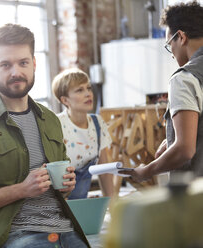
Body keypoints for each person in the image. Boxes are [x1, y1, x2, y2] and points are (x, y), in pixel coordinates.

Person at [0, 24, 90, 248]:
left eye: (23, 63)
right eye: (5, 65)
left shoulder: (50, 120)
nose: (16, 72)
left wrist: (66, 185)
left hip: (65, 230)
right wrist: (21, 190)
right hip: (13, 236)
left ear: (34, 64)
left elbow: (60, 187)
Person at [122, 1, 203, 181]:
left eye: (169, 45)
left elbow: (184, 149)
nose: (172, 53)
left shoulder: (184, 78)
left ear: (181, 37)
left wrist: (147, 171)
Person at [52, 68, 114, 199]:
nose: (88, 94)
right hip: (60, 204)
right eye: (80, 90)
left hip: (82, 204)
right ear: (65, 100)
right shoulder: (56, 125)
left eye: (89, 88)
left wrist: (114, 209)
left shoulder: (97, 123)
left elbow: (105, 172)